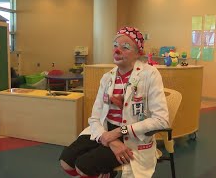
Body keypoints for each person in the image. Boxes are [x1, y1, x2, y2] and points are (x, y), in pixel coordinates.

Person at [59, 26, 169, 178]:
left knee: (83, 167)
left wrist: (119, 132)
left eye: (125, 47)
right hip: (105, 131)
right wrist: (110, 140)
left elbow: (161, 121)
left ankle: (105, 173)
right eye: (115, 46)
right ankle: (107, 174)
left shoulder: (150, 74)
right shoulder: (107, 78)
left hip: (131, 137)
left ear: (138, 53)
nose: (117, 51)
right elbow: (95, 118)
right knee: (66, 161)